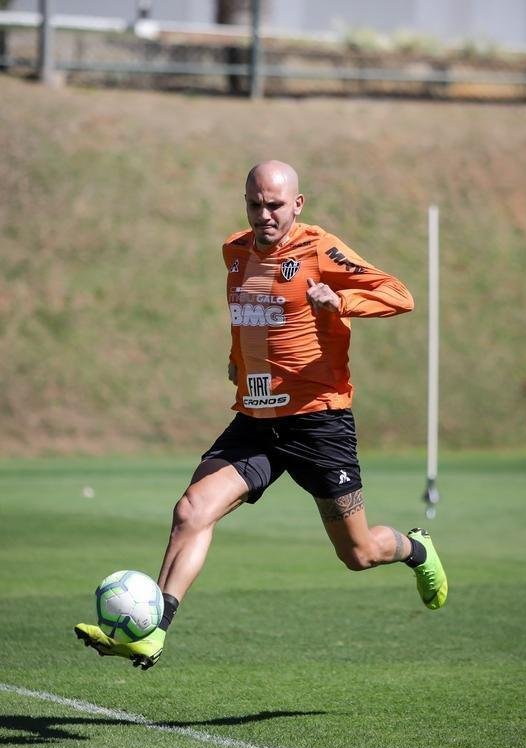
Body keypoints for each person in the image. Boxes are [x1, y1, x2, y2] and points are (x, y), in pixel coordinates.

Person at [76, 160, 447, 669]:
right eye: (255, 204)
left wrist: (339, 300)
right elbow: (248, 314)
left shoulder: (319, 248)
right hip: (255, 422)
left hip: (318, 423)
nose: (264, 214)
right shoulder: (235, 251)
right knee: (190, 512)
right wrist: (238, 359)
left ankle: (416, 549)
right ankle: (153, 632)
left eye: (275, 205)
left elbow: (399, 295)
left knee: (358, 553)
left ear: (298, 204)